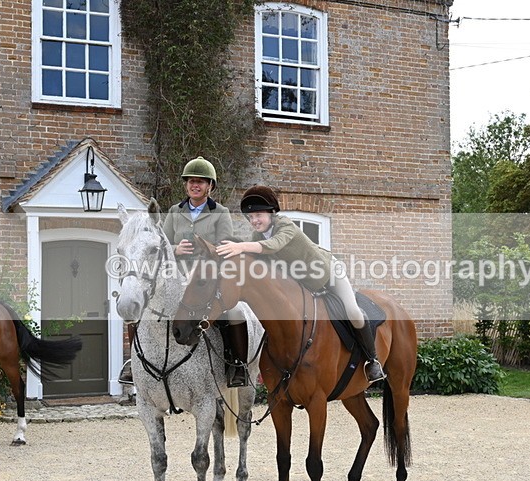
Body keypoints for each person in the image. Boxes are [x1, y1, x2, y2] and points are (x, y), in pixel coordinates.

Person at [216, 185, 387, 383]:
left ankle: (372, 361)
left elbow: (273, 246)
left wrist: (240, 246)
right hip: (304, 285)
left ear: (272, 212)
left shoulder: (285, 225)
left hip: (328, 274)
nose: (254, 221)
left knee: (352, 311)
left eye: (258, 215)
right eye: (250, 217)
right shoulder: (257, 237)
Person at [120, 156, 248, 387]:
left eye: (201, 181)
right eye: (191, 181)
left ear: (210, 186)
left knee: (236, 311)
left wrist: (206, 249)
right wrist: (175, 248)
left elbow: (225, 246)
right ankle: (133, 363)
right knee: (138, 303)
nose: (195, 185)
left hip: (206, 278)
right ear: (185, 185)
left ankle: (237, 365)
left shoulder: (221, 212)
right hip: (175, 276)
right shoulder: (174, 211)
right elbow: (161, 243)